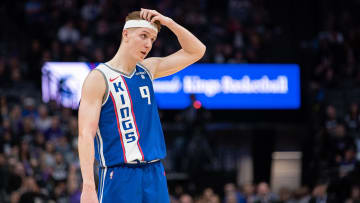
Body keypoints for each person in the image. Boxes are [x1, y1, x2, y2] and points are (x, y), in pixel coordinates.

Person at [78, 8, 206, 203]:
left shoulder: (148, 69)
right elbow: (86, 135)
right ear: (126, 34)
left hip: (154, 172)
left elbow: (197, 50)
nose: (148, 44)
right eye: (144, 36)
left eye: (152, 39)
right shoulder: (99, 78)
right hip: (118, 174)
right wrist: (88, 185)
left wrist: (169, 22)